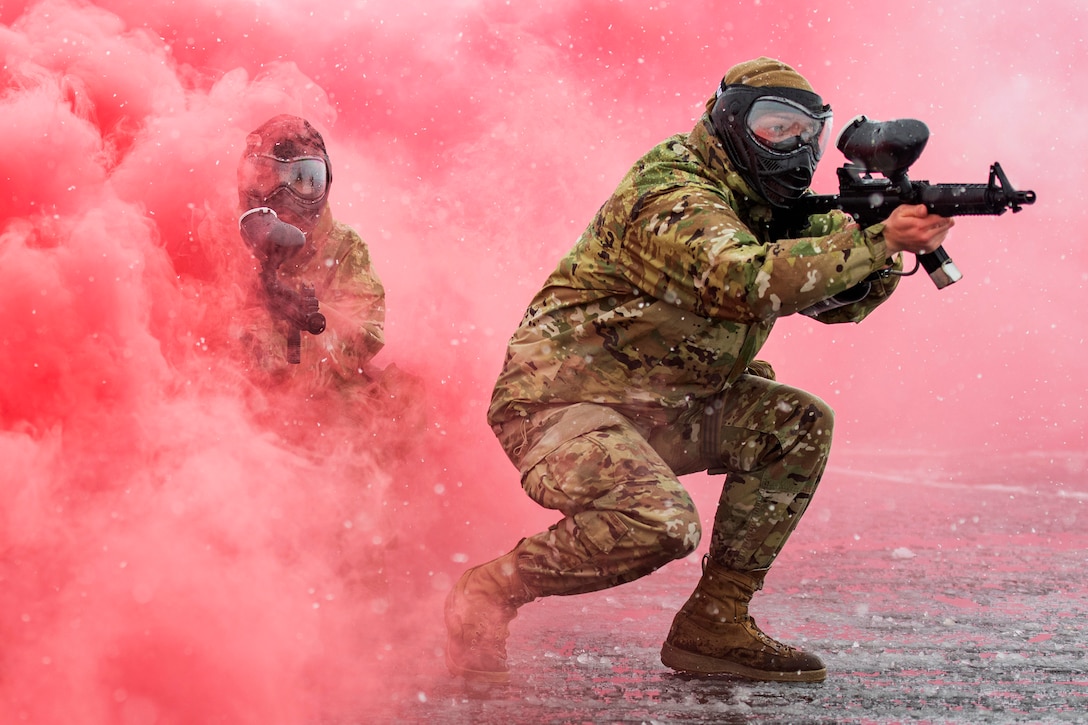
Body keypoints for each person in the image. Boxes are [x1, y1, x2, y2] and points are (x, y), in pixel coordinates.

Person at [445, 57, 953, 684]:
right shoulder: (671, 193)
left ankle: (716, 622)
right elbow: (745, 280)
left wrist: (876, 244)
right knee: (660, 523)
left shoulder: (765, 202)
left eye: (808, 134)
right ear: (730, 122)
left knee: (795, 424)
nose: (793, 147)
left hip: (664, 406)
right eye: (774, 126)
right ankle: (490, 591)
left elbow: (835, 306)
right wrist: (877, 242)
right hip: (561, 404)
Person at [233, 114, 386, 396]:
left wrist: (311, 320)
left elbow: (365, 337)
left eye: (305, 180)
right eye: (267, 179)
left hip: (319, 396)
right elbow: (198, 325)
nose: (285, 195)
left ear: (325, 182)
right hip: (239, 389)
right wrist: (259, 305)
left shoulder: (345, 248)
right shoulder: (225, 237)